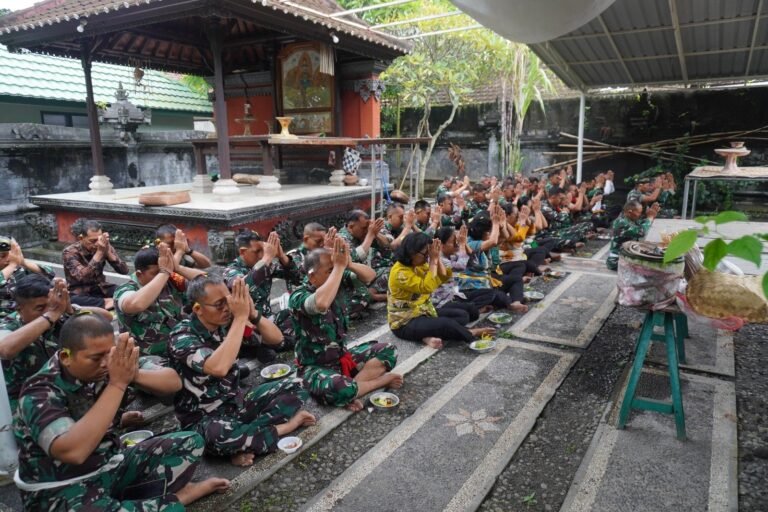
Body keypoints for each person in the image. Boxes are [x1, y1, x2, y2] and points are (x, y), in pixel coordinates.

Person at [14, 314, 229, 510]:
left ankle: (126, 499)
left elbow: (172, 383)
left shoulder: (111, 367)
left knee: (190, 442)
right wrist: (117, 384)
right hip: (62, 487)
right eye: (96, 358)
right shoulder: (39, 391)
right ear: (66, 357)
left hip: (108, 465)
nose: (106, 363)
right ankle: (174, 499)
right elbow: (73, 452)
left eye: (110, 353)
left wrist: (132, 375)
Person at [170, 275, 315, 467]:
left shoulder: (227, 324)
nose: (227, 309)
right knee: (217, 436)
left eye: (229, 301)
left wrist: (252, 314)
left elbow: (276, 339)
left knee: (299, 385)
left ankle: (244, 440)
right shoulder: (182, 336)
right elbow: (218, 368)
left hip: (237, 406)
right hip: (204, 420)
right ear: (198, 309)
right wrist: (239, 318)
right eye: (219, 304)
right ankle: (282, 428)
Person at [290, 238, 402, 412]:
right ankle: (371, 384)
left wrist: (348, 264)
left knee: (388, 350)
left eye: (336, 268)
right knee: (339, 387)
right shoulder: (298, 296)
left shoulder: (338, 280)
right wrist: (340, 268)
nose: (336, 273)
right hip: (314, 368)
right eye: (330, 270)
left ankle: (353, 389)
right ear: (312, 277)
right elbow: (321, 303)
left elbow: (370, 276)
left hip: (342, 357)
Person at [0, 275, 109, 410]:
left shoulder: (58, 314)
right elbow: (5, 349)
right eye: (40, 308)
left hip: (66, 388)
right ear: (19, 309)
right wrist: (52, 313)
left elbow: (106, 318)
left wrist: (69, 308)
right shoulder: (9, 325)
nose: (46, 311)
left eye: (49, 305)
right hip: (29, 402)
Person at [388, 233, 495, 349]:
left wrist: (437, 257)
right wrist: (433, 260)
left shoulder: (417, 264)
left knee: (462, 315)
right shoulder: (400, 272)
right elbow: (426, 287)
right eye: (425, 254)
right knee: (445, 324)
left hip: (424, 312)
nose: (427, 257)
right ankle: (470, 334)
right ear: (412, 252)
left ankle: (426, 336)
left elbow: (444, 276)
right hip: (405, 323)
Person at [114, 245, 205, 362]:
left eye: (165, 270)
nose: (164, 276)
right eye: (155, 273)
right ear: (139, 274)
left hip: (181, 347)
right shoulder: (126, 289)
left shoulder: (171, 282)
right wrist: (164, 272)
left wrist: (177, 268)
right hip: (147, 358)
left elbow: (209, 284)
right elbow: (135, 305)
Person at [288, 223, 376, 319]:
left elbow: (370, 275)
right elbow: (303, 273)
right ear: (306, 239)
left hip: (323, 291)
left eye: (323, 240)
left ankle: (340, 315)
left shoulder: (327, 255)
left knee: (360, 288)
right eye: (318, 241)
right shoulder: (297, 255)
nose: (322, 244)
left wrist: (348, 264)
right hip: (307, 293)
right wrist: (337, 265)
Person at [461, 209, 528, 314]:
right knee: (496, 295)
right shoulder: (471, 243)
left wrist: (501, 224)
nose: (493, 233)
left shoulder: (483, 240)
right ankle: (506, 303)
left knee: (516, 279)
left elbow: (505, 237)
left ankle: (516, 301)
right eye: (490, 231)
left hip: (487, 281)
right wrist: (496, 224)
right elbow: (493, 241)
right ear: (484, 233)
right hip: (475, 287)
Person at [224, 230, 301, 320]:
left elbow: (298, 278)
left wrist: (282, 256)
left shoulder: (265, 265)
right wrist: (267, 258)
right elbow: (243, 287)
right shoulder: (231, 271)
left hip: (266, 319)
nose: (261, 255)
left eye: (263, 251)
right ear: (242, 252)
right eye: (257, 251)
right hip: (245, 324)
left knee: (299, 313)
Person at [62, 219, 129, 309]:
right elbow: (82, 277)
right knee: (72, 300)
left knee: (127, 291)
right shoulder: (70, 252)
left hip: (101, 287)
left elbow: (124, 270)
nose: (97, 244)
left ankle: (106, 302)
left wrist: (108, 253)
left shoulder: (103, 245)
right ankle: (106, 302)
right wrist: (99, 253)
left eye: (99, 239)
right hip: (81, 292)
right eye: (93, 241)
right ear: (81, 238)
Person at [339, 210, 392, 302]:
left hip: (365, 273)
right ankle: (372, 295)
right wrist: (370, 235)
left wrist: (375, 233)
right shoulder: (341, 237)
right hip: (348, 276)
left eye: (367, 228)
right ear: (351, 227)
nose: (366, 231)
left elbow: (388, 244)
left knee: (392, 270)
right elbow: (355, 257)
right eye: (364, 228)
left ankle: (371, 293)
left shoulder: (363, 233)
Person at [0, 237, 54, 320]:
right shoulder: (12, 266)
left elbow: (49, 274)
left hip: (25, 314)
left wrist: (23, 261)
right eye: (3, 256)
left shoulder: (17, 269)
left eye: (10, 255)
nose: (8, 259)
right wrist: (13, 264)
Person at [606, 201, 660, 270]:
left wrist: (651, 214)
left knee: (654, 255)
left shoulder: (629, 219)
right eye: (639, 212)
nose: (640, 214)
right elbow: (641, 232)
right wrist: (650, 218)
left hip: (626, 256)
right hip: (617, 260)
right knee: (650, 266)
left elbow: (641, 224)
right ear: (630, 212)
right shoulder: (621, 222)